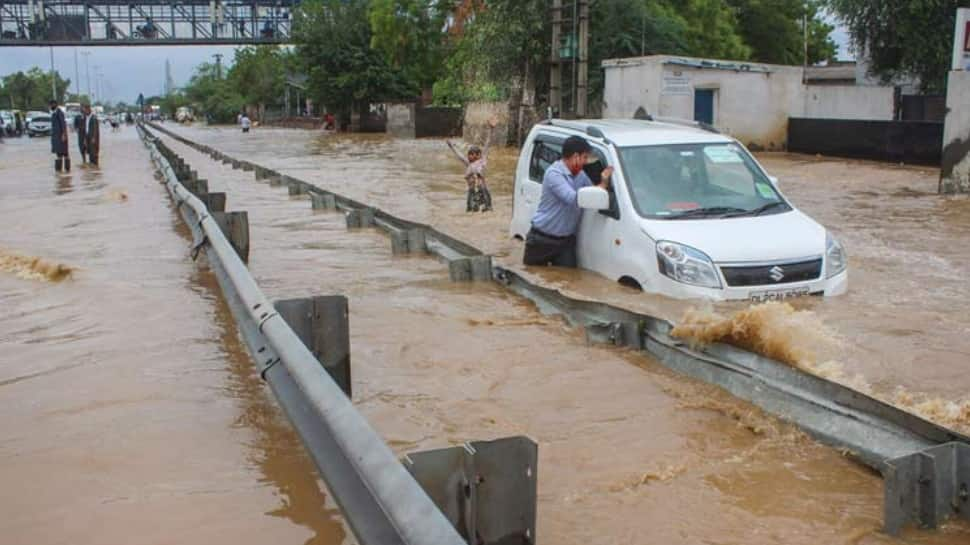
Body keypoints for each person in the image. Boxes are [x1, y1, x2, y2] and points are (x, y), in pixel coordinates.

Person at [523, 135, 613, 267]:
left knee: (568, 280)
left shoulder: (580, 175)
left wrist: (604, 182)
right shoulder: (553, 174)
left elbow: (591, 191)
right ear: (576, 156)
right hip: (542, 239)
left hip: (565, 242)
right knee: (532, 279)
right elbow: (573, 198)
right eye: (584, 157)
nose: (586, 162)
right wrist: (600, 187)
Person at [446, 116, 497, 212]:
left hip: (483, 191)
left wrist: (491, 129)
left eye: (473, 154)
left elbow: (487, 144)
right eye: (470, 154)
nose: (471, 156)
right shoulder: (468, 163)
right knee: (470, 211)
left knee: (487, 211)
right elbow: (459, 155)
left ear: (478, 155)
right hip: (471, 192)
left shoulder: (482, 161)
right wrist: (451, 146)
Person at [50, 100, 70, 172]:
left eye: (51, 105)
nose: (50, 107)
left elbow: (63, 124)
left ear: (55, 104)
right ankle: (60, 172)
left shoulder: (59, 113)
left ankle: (66, 170)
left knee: (64, 153)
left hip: (61, 136)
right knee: (59, 154)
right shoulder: (54, 113)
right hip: (56, 137)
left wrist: (64, 134)